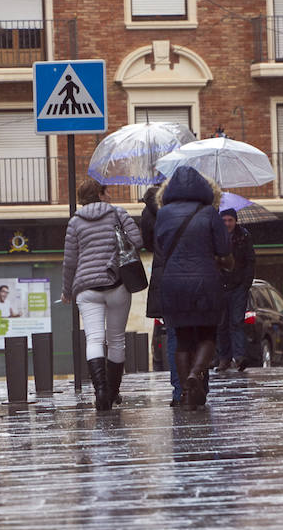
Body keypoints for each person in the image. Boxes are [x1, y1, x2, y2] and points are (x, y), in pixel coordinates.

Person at [62, 178, 142, 410]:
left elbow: (70, 261)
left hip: (86, 288)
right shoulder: (118, 213)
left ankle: (100, 392)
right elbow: (137, 241)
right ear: (100, 194)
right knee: (116, 340)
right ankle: (113, 391)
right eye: (107, 192)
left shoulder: (75, 222)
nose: (110, 195)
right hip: (116, 283)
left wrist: (67, 291)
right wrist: (114, 254)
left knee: (94, 339)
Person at [155, 166, 231, 409]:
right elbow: (224, 248)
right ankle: (195, 373)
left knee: (183, 339)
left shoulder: (163, 214)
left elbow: (159, 246)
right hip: (205, 280)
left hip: (173, 282)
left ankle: (188, 396)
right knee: (208, 333)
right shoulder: (209, 212)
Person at [140, 185, 181, 406]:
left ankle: (178, 389)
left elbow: (147, 244)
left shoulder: (149, 212)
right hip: (191, 273)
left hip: (164, 273)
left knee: (173, 334)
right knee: (196, 333)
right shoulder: (186, 208)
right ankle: (196, 381)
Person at [215, 208, 256, 372]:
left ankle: (239, 357)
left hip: (238, 286)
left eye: (230, 220)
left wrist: (246, 282)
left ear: (235, 221)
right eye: (224, 220)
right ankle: (224, 358)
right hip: (219, 286)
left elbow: (250, 260)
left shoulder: (244, 236)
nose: (227, 224)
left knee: (236, 322)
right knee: (221, 323)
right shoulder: (215, 237)